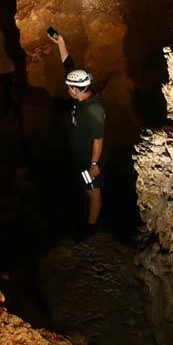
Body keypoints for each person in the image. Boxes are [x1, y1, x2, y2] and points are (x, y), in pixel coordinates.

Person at [48, 29, 106, 236]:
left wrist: (93, 165)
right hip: (80, 158)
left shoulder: (94, 110)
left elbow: (98, 139)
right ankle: (85, 218)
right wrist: (60, 43)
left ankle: (91, 229)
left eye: (69, 87)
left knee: (94, 192)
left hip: (88, 161)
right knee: (85, 188)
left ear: (76, 89)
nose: (68, 90)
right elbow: (68, 66)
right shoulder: (81, 94)